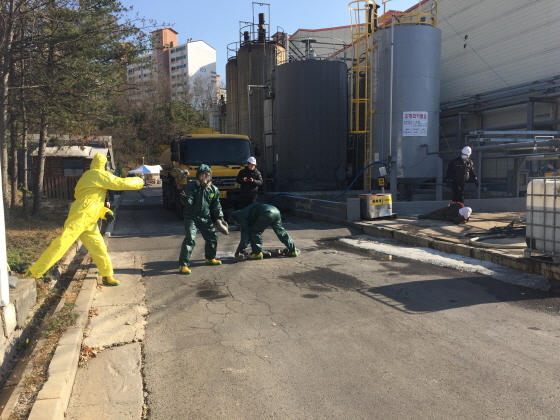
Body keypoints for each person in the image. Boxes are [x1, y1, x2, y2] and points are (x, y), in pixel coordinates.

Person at [27, 153, 144, 286]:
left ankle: (107, 275)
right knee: (62, 243)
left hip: (88, 218)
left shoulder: (89, 176)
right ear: (104, 164)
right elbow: (120, 183)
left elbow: (92, 200)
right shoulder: (98, 174)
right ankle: (34, 272)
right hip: (82, 216)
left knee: (99, 248)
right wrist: (140, 181)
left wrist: (105, 212)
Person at [178, 164, 226, 274]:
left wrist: (220, 217)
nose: (204, 178)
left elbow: (216, 205)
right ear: (197, 176)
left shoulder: (213, 190)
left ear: (210, 177)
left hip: (205, 217)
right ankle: (183, 264)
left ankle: (210, 258)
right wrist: (186, 199)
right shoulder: (191, 187)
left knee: (212, 237)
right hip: (191, 217)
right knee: (190, 238)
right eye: (202, 175)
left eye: (207, 175)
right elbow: (188, 201)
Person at [231, 203, 298, 260]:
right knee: (281, 231)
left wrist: (241, 248)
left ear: (235, 219)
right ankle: (293, 250)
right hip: (276, 211)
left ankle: (257, 253)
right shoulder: (246, 211)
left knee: (254, 232)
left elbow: (245, 232)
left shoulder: (240, 216)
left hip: (266, 212)